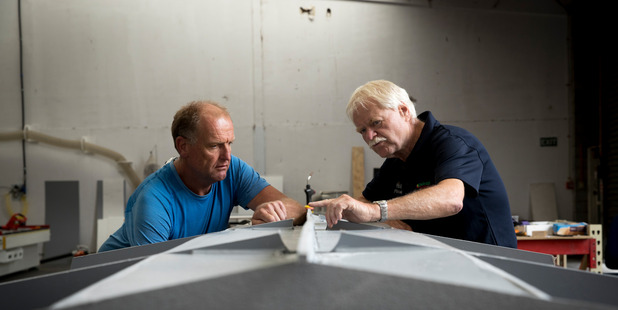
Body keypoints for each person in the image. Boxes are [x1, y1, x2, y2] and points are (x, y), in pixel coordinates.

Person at [309, 80, 517, 248]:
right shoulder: (395, 160)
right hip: (442, 261)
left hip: (491, 261)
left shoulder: (452, 143)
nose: (370, 136)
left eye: (376, 123)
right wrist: (346, 209)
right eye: (362, 130)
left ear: (404, 111)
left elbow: (451, 199)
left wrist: (377, 213)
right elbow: (363, 205)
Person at [99, 101, 305, 252]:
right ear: (183, 146)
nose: (227, 156)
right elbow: (153, 283)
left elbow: (297, 209)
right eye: (214, 145)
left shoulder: (232, 170)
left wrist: (272, 214)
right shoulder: (153, 201)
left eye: (229, 143)